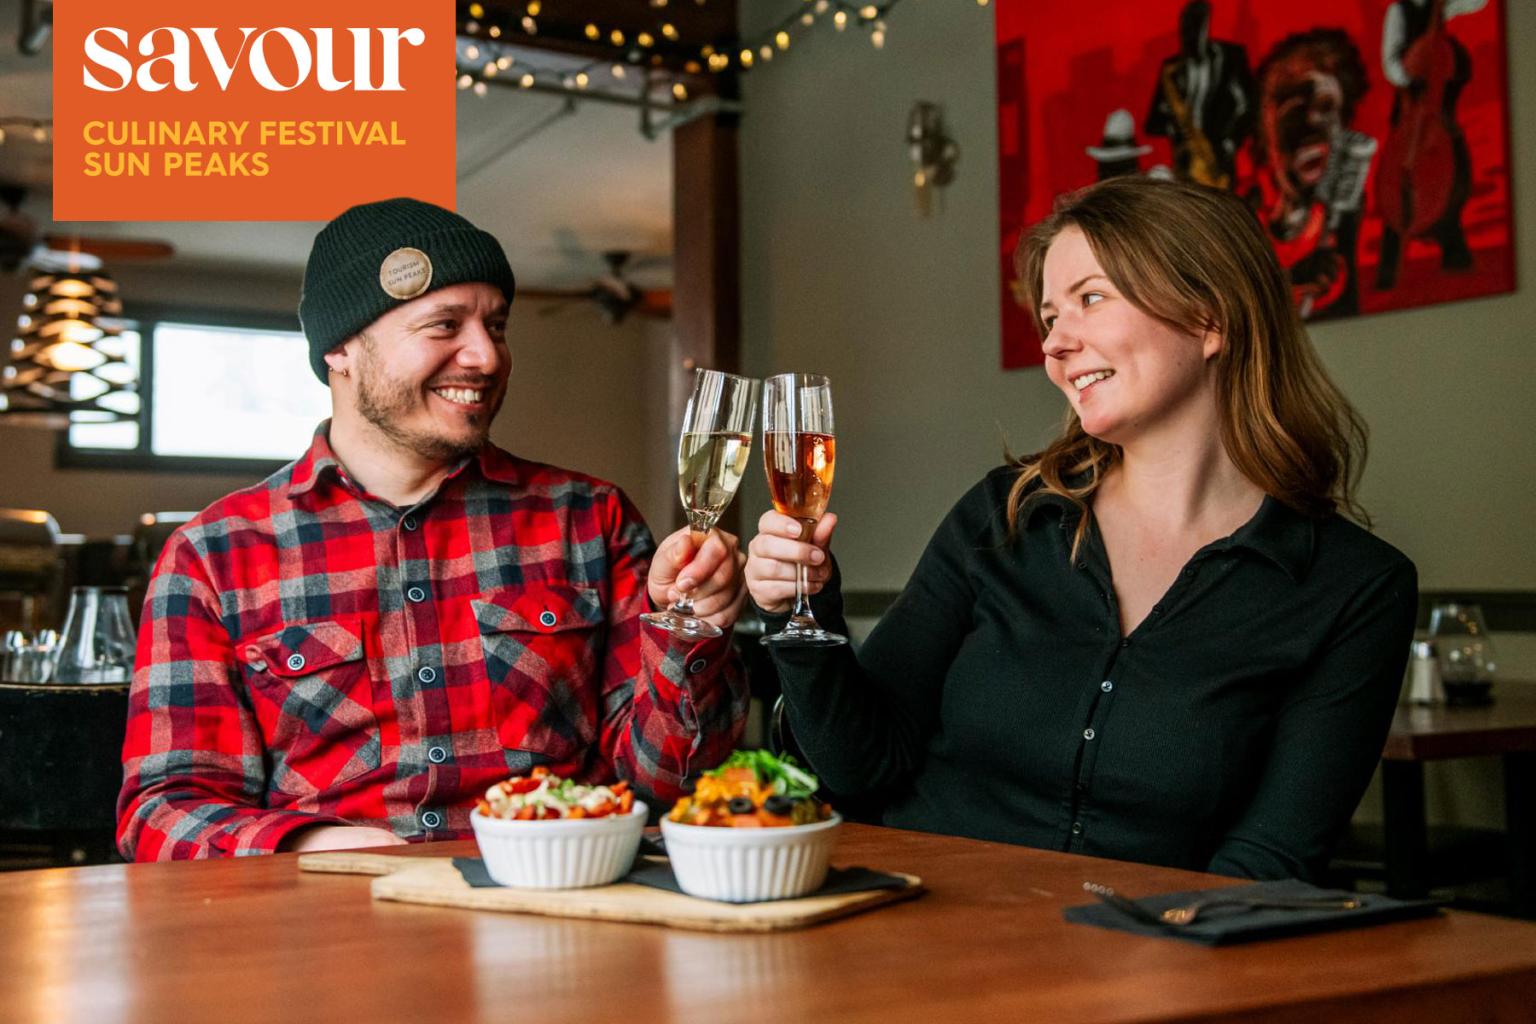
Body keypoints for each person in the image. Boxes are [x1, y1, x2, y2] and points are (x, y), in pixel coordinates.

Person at [746, 177, 1417, 883]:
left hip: (1154, 946)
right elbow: (861, 765)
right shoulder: (1005, 515)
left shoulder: (1355, 587)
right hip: (920, 923)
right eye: (1049, 317)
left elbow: (1270, 861)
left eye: (1090, 299)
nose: (1055, 345)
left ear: (1210, 318)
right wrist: (800, 606)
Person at [118, 198, 749, 860]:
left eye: (496, 326)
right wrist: (314, 847)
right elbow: (163, 809)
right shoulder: (213, 556)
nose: (486, 356)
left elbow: (672, 783)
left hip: (560, 896)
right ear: (340, 347)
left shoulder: (591, 518)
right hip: (334, 912)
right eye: (444, 325)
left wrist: (692, 632)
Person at [1247, 29, 1377, 320]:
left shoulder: (1340, 214)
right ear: (1264, 122)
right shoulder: (1243, 217)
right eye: (1296, 108)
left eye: (1327, 107)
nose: (1313, 120)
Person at [1143, 0, 1257, 189]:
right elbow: (1153, 123)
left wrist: (1230, 141)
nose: (1192, 37)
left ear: (1206, 27)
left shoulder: (1229, 57)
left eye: (1197, 29)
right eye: (1188, 30)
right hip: (1184, 157)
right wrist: (1172, 124)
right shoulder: (1171, 69)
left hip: (1217, 157)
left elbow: (1247, 105)